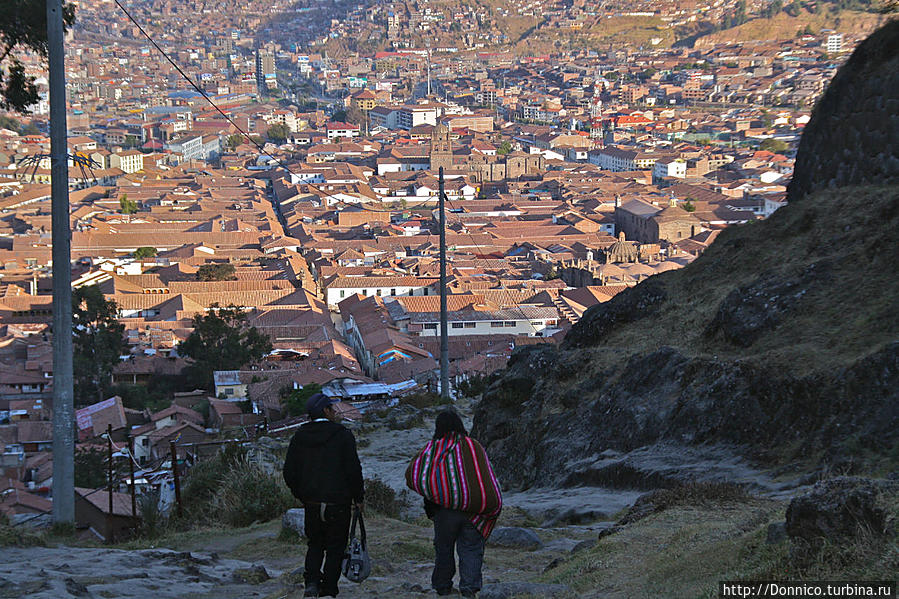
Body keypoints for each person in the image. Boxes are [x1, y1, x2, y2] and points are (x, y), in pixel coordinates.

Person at [406, 409, 503, 598]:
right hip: (475, 511)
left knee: (444, 549)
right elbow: (485, 476)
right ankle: (469, 589)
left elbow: (418, 475)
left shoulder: (432, 448)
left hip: (444, 512)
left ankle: (443, 587)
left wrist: (438, 501)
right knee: (471, 549)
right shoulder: (473, 446)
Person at [283, 393, 364, 598]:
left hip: (312, 502)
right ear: (326, 411)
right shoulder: (342, 435)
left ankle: (311, 583)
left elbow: (289, 472)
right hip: (338, 503)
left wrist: (301, 495)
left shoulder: (300, 436)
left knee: (315, 544)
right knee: (336, 547)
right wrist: (358, 497)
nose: (335, 412)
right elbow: (353, 470)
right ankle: (328, 589)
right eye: (332, 408)